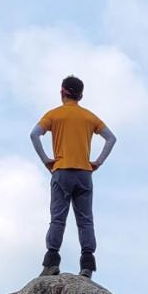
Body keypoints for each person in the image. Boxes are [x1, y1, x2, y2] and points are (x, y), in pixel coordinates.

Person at [31, 74, 117, 278]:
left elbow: (34, 134)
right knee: (85, 220)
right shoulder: (89, 117)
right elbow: (111, 138)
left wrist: (46, 160)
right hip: (84, 174)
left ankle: (51, 262)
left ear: (62, 92)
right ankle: (87, 265)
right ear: (81, 95)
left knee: (58, 219)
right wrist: (97, 162)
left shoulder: (54, 115)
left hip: (61, 171)